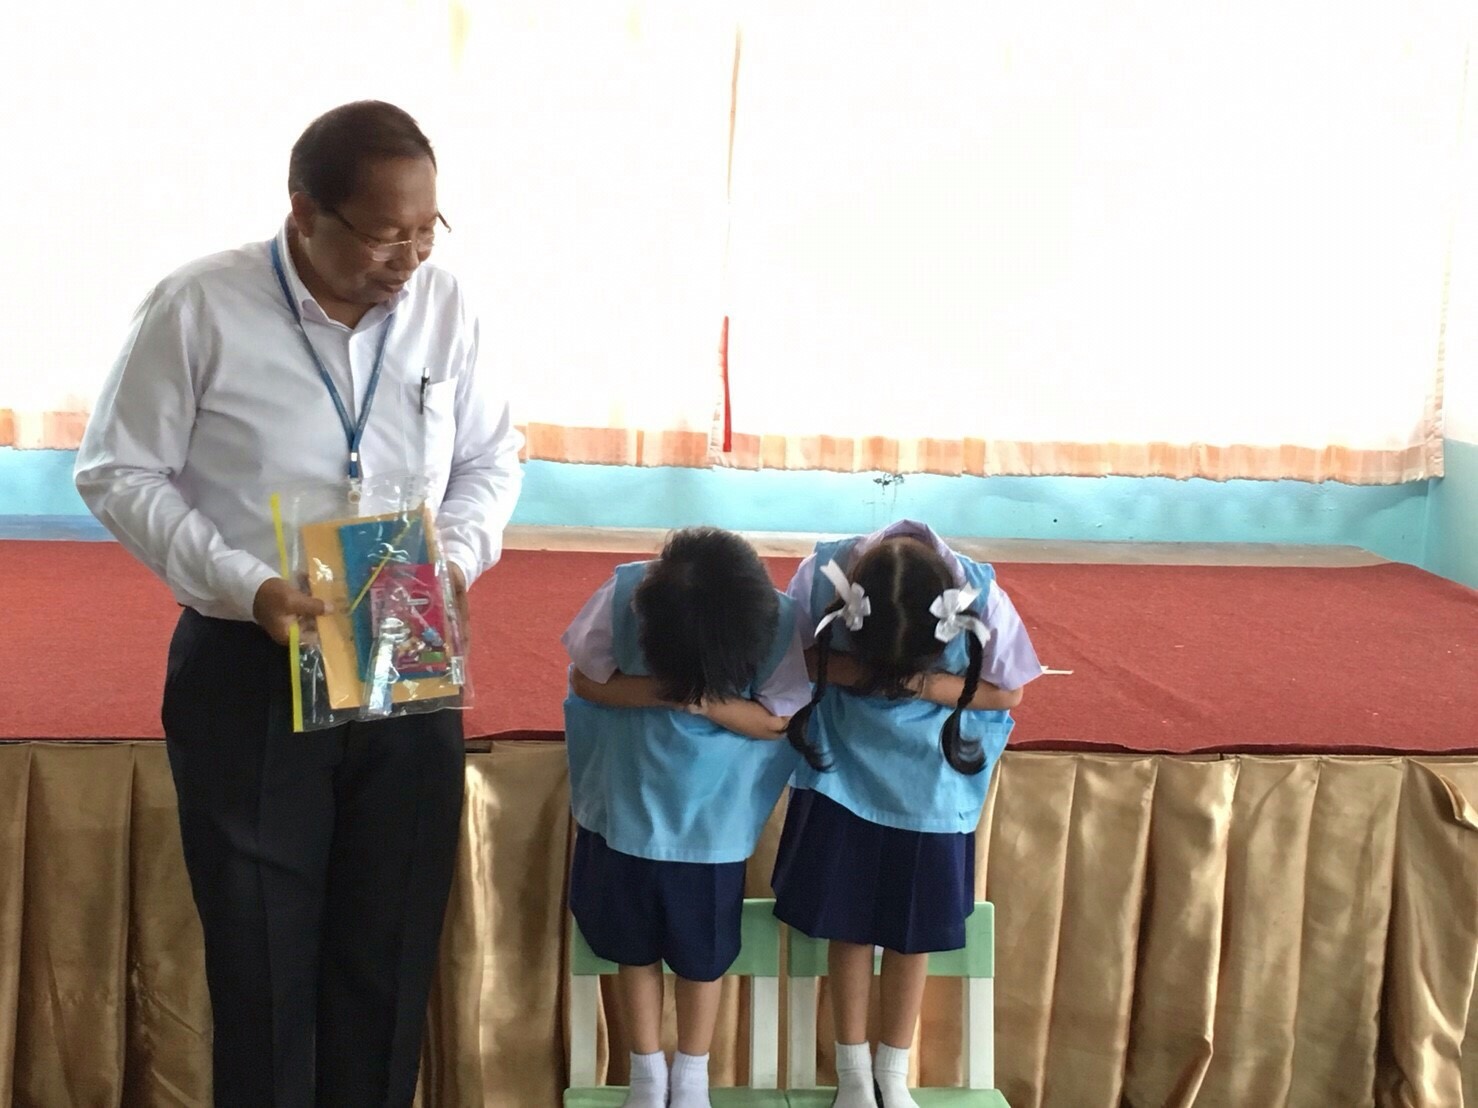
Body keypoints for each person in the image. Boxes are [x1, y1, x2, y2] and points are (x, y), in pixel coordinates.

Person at [73, 100, 522, 1106]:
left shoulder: (446, 307)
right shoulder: (199, 305)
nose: (407, 259)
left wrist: (457, 557)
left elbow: (493, 458)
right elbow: (117, 470)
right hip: (252, 654)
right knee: (263, 960)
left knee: (389, 950)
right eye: (384, 234)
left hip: (402, 637)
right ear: (304, 213)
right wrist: (245, 583)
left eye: (427, 230)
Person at [773, 520, 1041, 1108]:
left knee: (911, 932)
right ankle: (851, 1071)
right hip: (842, 775)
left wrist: (917, 683)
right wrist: (859, 673)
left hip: (930, 787)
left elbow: (1009, 689)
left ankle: (892, 1070)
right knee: (847, 924)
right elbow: (790, 658)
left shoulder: (982, 594)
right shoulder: (822, 575)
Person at [562, 527, 812, 1108]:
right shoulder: (624, 593)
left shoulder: (778, 622)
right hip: (625, 810)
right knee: (632, 948)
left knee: (703, 958)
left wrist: (699, 698)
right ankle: (647, 1073)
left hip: (710, 827)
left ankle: (692, 1073)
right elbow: (586, 679)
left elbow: (778, 720)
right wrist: (671, 692)